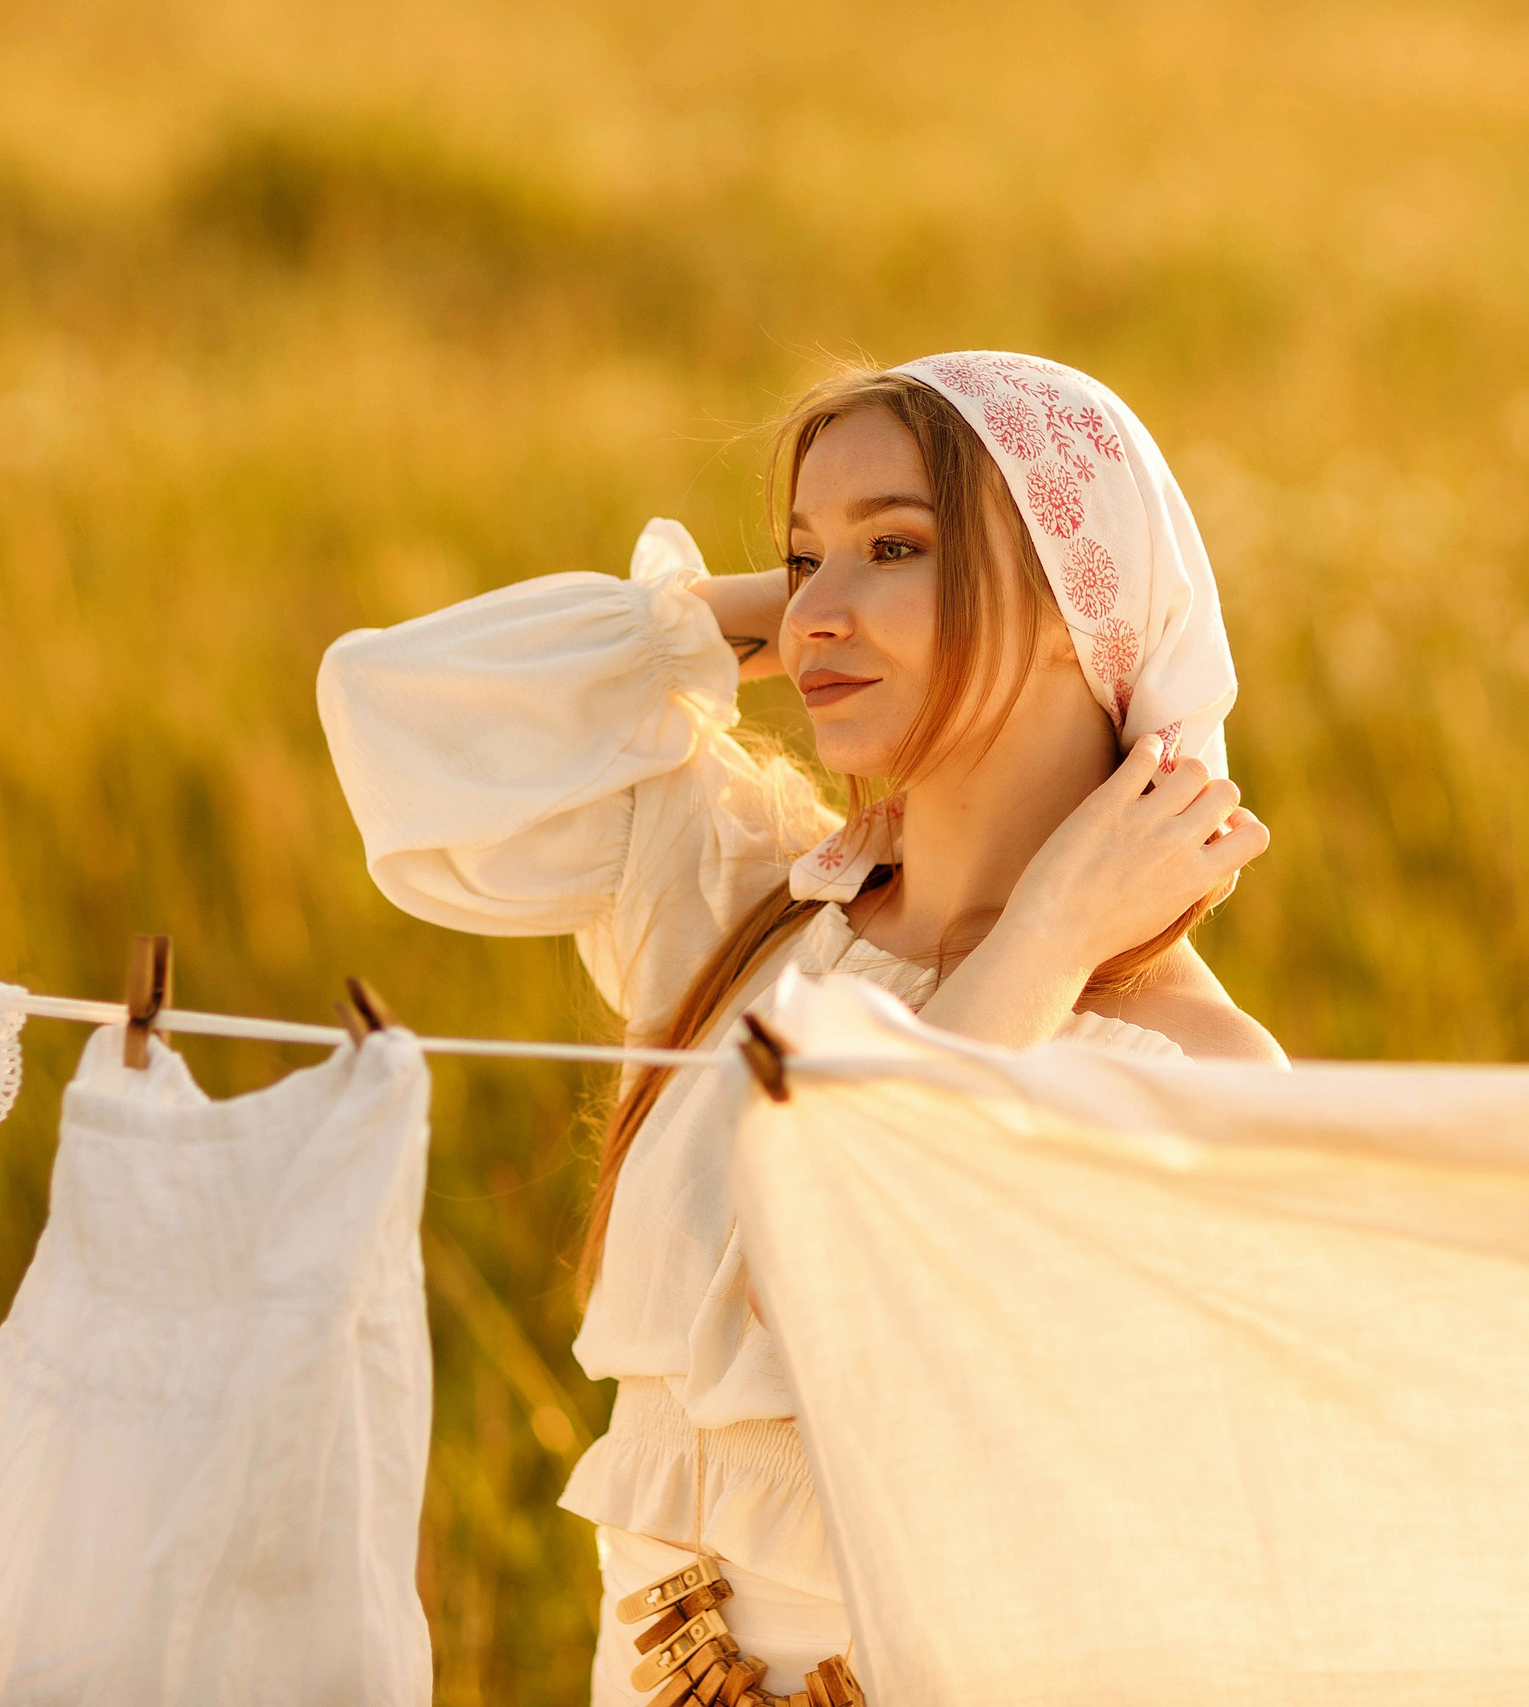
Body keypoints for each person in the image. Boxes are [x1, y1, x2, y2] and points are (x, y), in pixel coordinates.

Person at [320, 352, 1282, 1700]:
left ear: (1080, 600)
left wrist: (1049, 937)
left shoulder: (1190, 1067)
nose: (818, 609)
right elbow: (397, 709)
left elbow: (823, 1264)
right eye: (800, 556)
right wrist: (770, 619)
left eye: (896, 546)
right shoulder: (750, 906)